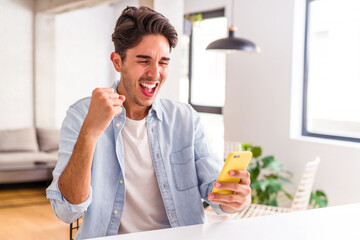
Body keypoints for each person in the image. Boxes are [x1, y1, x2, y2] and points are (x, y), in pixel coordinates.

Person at [46, 6, 251, 240]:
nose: (155, 74)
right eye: (144, 60)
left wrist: (236, 198)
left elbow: (218, 196)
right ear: (117, 62)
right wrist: (90, 133)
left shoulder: (185, 118)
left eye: (163, 62)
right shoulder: (82, 114)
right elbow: (66, 211)